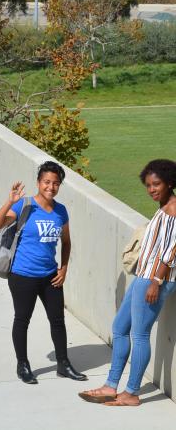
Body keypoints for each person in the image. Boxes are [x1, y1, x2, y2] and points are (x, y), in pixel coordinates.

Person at [80, 159, 176, 406]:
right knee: (120, 327)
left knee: (140, 334)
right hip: (143, 275)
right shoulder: (164, 207)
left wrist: (156, 281)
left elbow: (171, 251)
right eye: (148, 185)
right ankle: (111, 386)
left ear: (170, 183)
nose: (151, 189)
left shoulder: (173, 210)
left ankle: (131, 393)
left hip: (155, 279)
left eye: (156, 184)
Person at [0, 160, 87, 385]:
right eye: (46, 182)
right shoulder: (24, 206)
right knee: (22, 319)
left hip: (50, 275)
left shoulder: (61, 211)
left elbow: (67, 242)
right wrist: (9, 201)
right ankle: (22, 365)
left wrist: (63, 268)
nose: (50, 187)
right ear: (38, 183)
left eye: (55, 183)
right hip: (22, 275)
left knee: (58, 320)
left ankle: (63, 363)